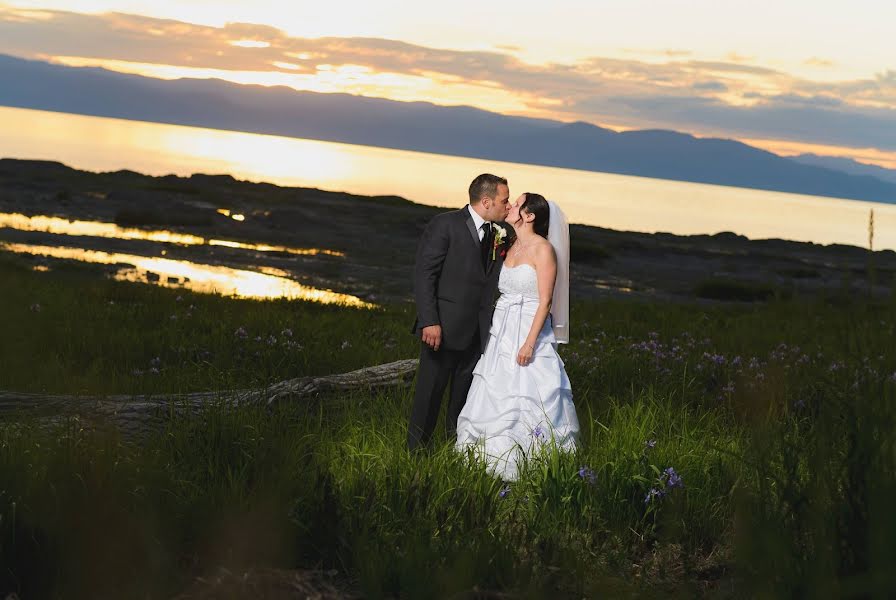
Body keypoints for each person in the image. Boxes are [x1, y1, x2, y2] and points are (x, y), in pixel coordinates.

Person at [455, 193, 579, 480]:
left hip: (527, 328)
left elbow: (545, 301)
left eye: (517, 203)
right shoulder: (509, 244)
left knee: (527, 392)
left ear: (530, 215)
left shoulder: (543, 250)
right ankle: (482, 456)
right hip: (501, 328)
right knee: (493, 387)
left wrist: (529, 343)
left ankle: (528, 459)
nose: (509, 206)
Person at [408, 173, 511, 451]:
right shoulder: (445, 224)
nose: (508, 205)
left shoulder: (498, 233)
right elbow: (425, 274)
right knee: (429, 397)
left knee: (464, 401)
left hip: (478, 333)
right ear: (487, 202)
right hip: (442, 330)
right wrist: (430, 321)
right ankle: (415, 455)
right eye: (505, 200)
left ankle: (454, 452)